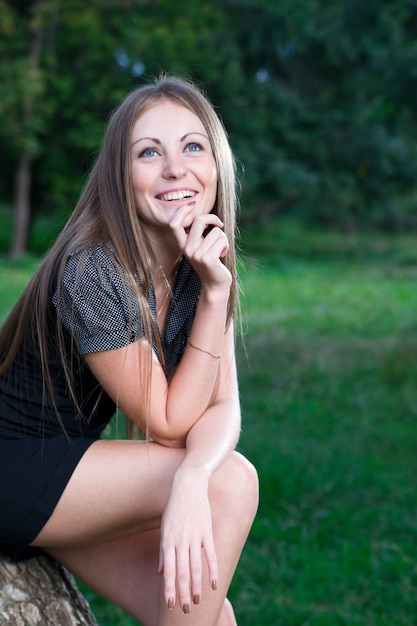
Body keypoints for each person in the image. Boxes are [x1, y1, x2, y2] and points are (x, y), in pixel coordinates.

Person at [0, 74, 258, 625]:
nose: (175, 168)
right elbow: (168, 423)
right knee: (232, 483)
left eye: (192, 146)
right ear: (121, 175)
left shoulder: (202, 258)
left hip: (71, 476)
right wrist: (216, 296)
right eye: (149, 152)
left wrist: (191, 476)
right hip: (12, 465)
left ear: (216, 165)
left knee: (214, 613)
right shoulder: (92, 267)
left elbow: (222, 408)